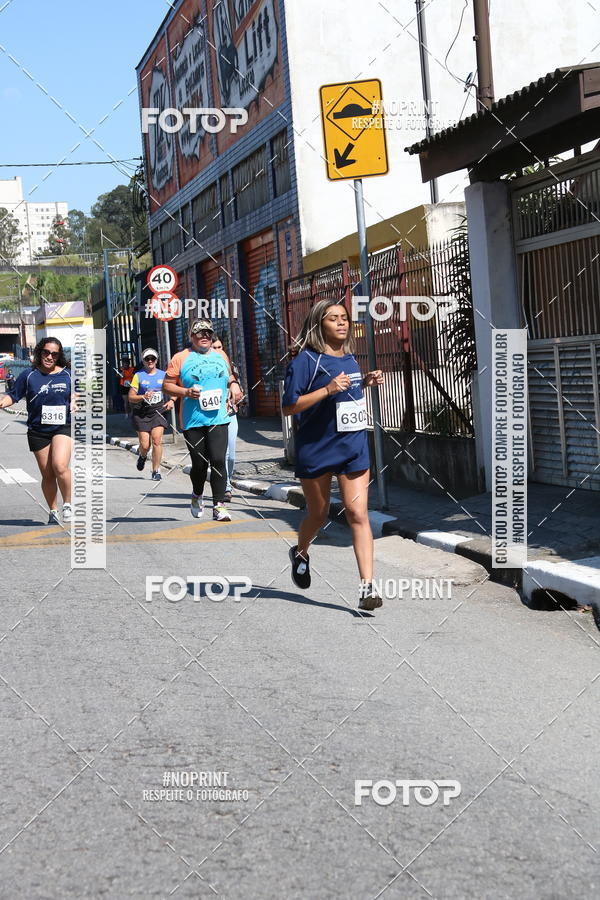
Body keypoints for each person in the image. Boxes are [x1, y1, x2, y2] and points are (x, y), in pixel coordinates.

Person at [281, 300, 384, 611]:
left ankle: (367, 587)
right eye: (333, 319)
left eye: (345, 318)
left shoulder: (351, 358)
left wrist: (365, 382)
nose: (342, 323)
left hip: (352, 446)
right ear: (318, 325)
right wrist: (326, 390)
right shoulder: (305, 362)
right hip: (316, 447)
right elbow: (289, 406)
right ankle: (300, 552)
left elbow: (348, 396)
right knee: (319, 513)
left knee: (358, 514)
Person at [163, 319, 243, 522]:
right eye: (200, 333)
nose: (205, 336)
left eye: (208, 333)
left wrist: (234, 385)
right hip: (193, 420)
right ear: (192, 337)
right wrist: (185, 391)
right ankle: (197, 494)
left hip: (219, 416)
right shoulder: (180, 358)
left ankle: (219, 506)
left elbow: (229, 376)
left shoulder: (220, 355)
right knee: (199, 464)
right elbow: (167, 385)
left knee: (218, 459)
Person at [0, 336, 73, 525]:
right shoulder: (28, 374)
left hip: (62, 426)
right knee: (48, 474)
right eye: (46, 352)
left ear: (59, 356)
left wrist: (77, 401)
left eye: (54, 354)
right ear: (40, 352)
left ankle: (67, 504)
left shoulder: (68, 374)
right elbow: (13, 396)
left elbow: (78, 393)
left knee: (59, 466)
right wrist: (2, 403)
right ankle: (53, 510)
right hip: (38, 430)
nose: (50, 357)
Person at [128, 348, 174, 481]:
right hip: (142, 412)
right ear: (143, 361)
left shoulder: (163, 375)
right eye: (147, 359)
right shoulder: (138, 376)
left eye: (152, 359)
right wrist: (143, 396)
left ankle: (156, 470)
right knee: (145, 445)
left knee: (157, 440)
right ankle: (142, 456)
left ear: (156, 360)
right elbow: (131, 397)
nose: (150, 361)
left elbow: (173, 390)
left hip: (158, 411)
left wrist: (171, 400)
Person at [211, 335, 245, 503]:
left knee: (231, 455)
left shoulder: (231, 367)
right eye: (214, 347)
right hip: (213, 416)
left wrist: (238, 395)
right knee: (221, 454)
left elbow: (238, 389)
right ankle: (226, 488)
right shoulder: (206, 368)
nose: (218, 350)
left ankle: (228, 480)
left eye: (220, 347)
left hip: (230, 414)